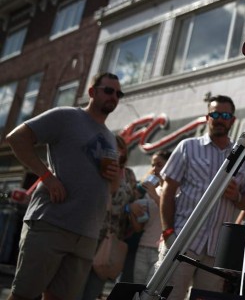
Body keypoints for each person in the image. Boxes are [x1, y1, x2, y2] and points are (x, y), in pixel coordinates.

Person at [6, 72, 123, 300]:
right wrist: (47, 177)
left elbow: (111, 188)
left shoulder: (110, 137)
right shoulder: (66, 116)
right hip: (51, 223)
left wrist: (114, 176)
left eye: (119, 93)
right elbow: (16, 138)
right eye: (108, 90)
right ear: (92, 92)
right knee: (23, 296)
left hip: (87, 234)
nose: (114, 97)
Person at [158, 95, 245, 299]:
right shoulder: (187, 146)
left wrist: (236, 196)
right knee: (168, 296)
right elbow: (167, 191)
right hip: (183, 240)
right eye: (215, 114)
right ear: (207, 117)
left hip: (216, 250)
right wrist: (168, 233)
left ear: (233, 120)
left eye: (225, 115)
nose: (220, 119)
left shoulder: (243, 154)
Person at [78, 134, 138, 300]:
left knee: (95, 286)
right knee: (75, 283)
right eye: (112, 149)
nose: (117, 153)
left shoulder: (129, 174)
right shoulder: (96, 168)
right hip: (89, 231)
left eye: (120, 150)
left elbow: (132, 201)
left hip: (112, 235)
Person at [131, 150, 171, 284]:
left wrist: (153, 194)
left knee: (150, 290)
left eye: (159, 165)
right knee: (137, 288)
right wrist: (132, 211)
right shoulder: (152, 191)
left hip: (160, 250)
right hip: (143, 246)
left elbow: (171, 214)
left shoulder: (175, 191)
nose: (154, 169)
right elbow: (138, 227)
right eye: (153, 165)